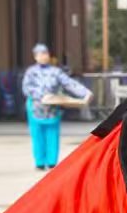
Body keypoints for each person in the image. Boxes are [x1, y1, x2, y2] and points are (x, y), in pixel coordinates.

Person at [21, 43, 93, 172]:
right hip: (36, 107)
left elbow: (69, 84)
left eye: (45, 53)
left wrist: (85, 93)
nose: (43, 56)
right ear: (35, 56)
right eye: (40, 54)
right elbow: (26, 88)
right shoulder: (31, 72)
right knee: (37, 135)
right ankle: (40, 162)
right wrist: (41, 96)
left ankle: (52, 161)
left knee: (52, 134)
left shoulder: (55, 72)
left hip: (52, 108)